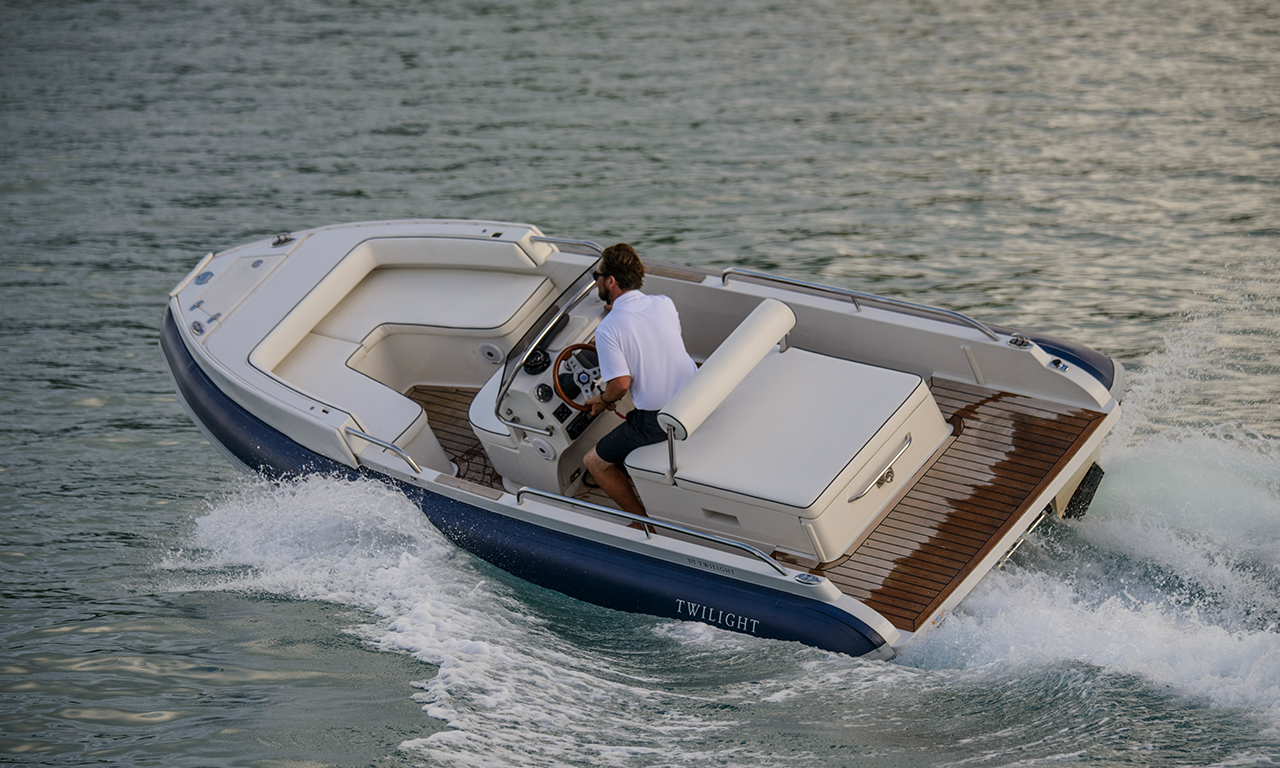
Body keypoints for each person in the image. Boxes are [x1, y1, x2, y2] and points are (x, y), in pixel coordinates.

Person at [582, 243, 696, 517]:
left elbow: (620, 385)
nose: (596, 281)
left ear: (611, 281)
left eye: (597, 276)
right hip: (694, 396)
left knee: (593, 462)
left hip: (659, 420)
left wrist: (601, 400)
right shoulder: (663, 303)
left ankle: (641, 522)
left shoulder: (608, 328)